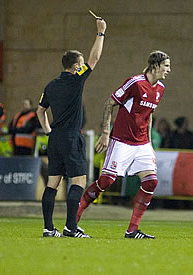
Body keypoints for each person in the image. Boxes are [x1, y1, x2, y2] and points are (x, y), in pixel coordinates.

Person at [76, 50, 171, 239]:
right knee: (106, 182)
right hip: (122, 141)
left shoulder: (160, 88)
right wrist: (105, 133)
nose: (169, 70)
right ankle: (73, 222)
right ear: (156, 65)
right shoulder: (135, 82)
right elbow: (109, 103)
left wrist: (150, 144)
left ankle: (132, 230)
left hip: (142, 143)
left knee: (151, 181)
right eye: (166, 66)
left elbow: (148, 114)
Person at [36, 17, 107, 238]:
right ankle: (70, 227)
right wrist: (100, 32)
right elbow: (95, 58)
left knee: (53, 183)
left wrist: (48, 130)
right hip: (69, 138)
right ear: (76, 66)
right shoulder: (75, 80)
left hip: (55, 138)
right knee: (79, 181)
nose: (84, 64)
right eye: (81, 62)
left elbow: (40, 111)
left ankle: (49, 228)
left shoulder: (50, 85)